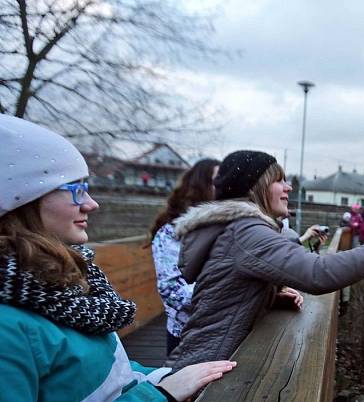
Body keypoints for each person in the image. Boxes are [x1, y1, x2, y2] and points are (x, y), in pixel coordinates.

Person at [0, 115, 234, 402]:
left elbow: (110, 375)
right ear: (20, 199)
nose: (91, 203)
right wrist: (160, 394)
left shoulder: (61, 285)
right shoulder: (9, 326)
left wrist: (160, 378)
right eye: (76, 190)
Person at [166, 150, 364, 369]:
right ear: (255, 187)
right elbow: (318, 274)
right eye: (279, 180)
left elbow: (228, 292)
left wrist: (268, 298)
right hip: (204, 376)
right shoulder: (245, 231)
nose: (289, 187)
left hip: (203, 364)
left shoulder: (238, 229)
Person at [149, 158, 220, 355]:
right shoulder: (172, 233)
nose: (224, 187)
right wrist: (227, 288)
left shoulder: (228, 228)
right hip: (187, 338)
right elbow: (173, 292)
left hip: (225, 334)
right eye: (217, 181)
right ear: (199, 186)